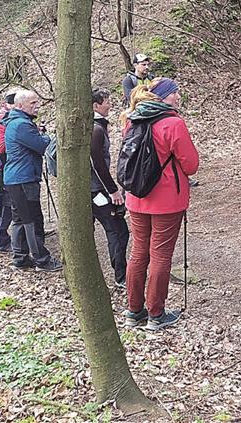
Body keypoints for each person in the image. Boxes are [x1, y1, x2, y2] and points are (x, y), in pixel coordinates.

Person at [121, 78, 199, 331]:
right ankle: (156, 313)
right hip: (166, 201)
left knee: (138, 252)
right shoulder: (173, 123)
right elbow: (191, 165)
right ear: (165, 96)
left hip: (136, 198)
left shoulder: (131, 120)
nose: (177, 97)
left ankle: (134, 311)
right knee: (160, 255)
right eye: (175, 93)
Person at [3, 89, 62, 272]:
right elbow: (42, 145)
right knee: (32, 220)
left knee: (20, 219)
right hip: (23, 178)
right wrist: (44, 136)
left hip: (16, 178)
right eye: (33, 104)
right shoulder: (21, 124)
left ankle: (20, 258)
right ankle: (41, 259)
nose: (37, 106)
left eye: (37, 102)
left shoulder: (18, 122)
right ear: (20, 105)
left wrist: (38, 133)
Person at [90, 88, 130, 289]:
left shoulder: (96, 126)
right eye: (106, 101)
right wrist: (112, 190)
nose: (110, 104)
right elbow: (97, 164)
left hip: (95, 190)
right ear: (96, 105)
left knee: (117, 230)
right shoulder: (95, 129)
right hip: (97, 192)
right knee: (118, 230)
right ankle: (121, 277)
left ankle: (120, 274)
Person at [0, 90, 16, 253]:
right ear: (8, 104)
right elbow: (1, 147)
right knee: (4, 204)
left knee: (12, 203)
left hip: (11, 167)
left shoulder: (9, 118)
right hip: (2, 168)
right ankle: (1, 240)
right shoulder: (1, 119)